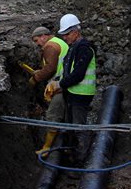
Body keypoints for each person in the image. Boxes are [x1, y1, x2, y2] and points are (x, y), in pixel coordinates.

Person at [45, 13, 96, 165]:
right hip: (72, 93)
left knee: (78, 128)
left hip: (81, 94)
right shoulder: (73, 47)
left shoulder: (84, 49)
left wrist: (59, 85)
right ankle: (71, 154)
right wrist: (57, 81)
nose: (64, 38)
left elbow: (78, 74)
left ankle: (80, 162)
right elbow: (68, 71)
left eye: (66, 34)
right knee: (70, 126)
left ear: (75, 32)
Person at [30, 26, 69, 155]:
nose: (37, 44)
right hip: (66, 83)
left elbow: (51, 68)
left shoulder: (50, 46)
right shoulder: (58, 41)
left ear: (43, 36)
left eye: (37, 41)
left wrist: (36, 78)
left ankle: (47, 148)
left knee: (53, 115)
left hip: (60, 86)